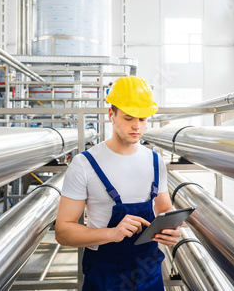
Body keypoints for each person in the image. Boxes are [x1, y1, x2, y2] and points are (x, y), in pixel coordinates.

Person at [55, 76, 181, 290]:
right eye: (129, 118)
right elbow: (63, 232)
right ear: (111, 114)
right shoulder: (84, 164)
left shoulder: (154, 160)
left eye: (142, 119)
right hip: (105, 274)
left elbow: (164, 208)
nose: (137, 127)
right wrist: (111, 234)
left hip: (149, 270)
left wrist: (171, 228)